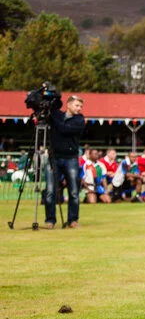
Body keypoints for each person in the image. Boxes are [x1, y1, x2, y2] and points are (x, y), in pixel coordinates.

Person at [43, 95, 85, 228]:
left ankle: (73, 220)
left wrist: (53, 118)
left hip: (71, 158)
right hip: (53, 157)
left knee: (73, 191)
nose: (79, 109)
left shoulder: (79, 120)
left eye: (80, 106)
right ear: (68, 105)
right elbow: (53, 107)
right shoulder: (58, 115)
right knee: (50, 190)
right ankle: (50, 220)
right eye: (77, 105)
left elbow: (64, 129)